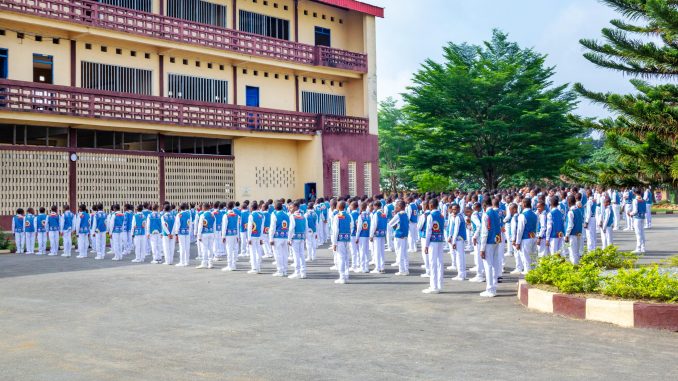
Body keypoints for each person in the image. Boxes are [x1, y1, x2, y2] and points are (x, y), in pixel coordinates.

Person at [479, 198, 502, 297]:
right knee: (495, 263)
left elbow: (484, 232)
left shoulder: (486, 214)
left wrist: (482, 248)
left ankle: (490, 289)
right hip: (496, 239)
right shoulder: (496, 212)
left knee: (488, 265)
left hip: (488, 241)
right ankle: (493, 285)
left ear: (484, 205)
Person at [423, 198, 446, 293]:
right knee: (440, 262)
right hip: (440, 239)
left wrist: (426, 245)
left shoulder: (430, 216)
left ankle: (434, 286)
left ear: (431, 205)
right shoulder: (441, 215)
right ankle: (439, 285)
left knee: (433, 263)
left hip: (432, 241)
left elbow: (428, 231)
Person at [331, 201, 353, 284]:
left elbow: (335, 230)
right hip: (347, 238)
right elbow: (352, 226)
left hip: (340, 239)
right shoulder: (349, 215)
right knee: (346, 257)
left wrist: (334, 243)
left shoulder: (337, 216)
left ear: (338, 207)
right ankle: (346, 275)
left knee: (341, 257)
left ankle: (342, 277)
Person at [514, 199, 537, 274]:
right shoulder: (535, 214)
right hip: (533, 237)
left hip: (525, 238)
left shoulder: (522, 215)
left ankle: (528, 275)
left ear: (524, 204)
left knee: (526, 258)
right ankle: (533, 273)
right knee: (533, 258)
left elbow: (520, 230)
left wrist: (517, 242)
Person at [388, 200, 410, 276]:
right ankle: (406, 269)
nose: (395, 208)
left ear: (400, 207)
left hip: (399, 235)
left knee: (399, 253)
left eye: (396, 206)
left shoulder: (398, 215)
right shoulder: (405, 214)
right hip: (405, 235)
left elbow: (390, 223)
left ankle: (401, 270)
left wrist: (394, 215)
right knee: (404, 253)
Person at [287, 201, 308, 279]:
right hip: (301, 237)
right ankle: (303, 272)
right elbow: (306, 227)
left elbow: (291, 228)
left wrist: (289, 239)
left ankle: (297, 272)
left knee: (296, 255)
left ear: (296, 207)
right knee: (302, 254)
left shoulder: (293, 216)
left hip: (295, 237)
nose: (290, 209)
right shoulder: (303, 216)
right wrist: (305, 237)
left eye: (291, 207)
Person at [446, 203, 467, 281]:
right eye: (453, 209)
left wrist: (453, 241)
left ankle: (460, 274)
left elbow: (456, 230)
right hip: (458, 238)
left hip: (459, 239)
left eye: (455, 209)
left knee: (459, 257)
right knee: (461, 256)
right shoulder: (455, 216)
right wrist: (449, 236)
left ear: (458, 209)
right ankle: (462, 273)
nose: (454, 211)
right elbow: (451, 228)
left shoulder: (458, 217)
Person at [269, 202, 290, 277]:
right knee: (285, 254)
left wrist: (271, 238)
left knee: (278, 254)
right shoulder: (287, 214)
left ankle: (280, 270)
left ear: (275, 207)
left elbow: (272, 227)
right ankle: (285, 270)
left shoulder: (274, 214)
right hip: (285, 236)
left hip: (277, 236)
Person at [369, 201, 387, 274]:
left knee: (377, 251)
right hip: (382, 233)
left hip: (377, 234)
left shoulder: (376, 214)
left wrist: (371, 235)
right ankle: (382, 267)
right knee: (382, 251)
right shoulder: (384, 214)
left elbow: (374, 225)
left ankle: (378, 268)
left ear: (375, 206)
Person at [221, 202, 240, 271]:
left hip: (228, 235)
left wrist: (223, 236)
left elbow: (224, 226)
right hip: (235, 234)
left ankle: (229, 265)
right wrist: (238, 236)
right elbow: (238, 226)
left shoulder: (226, 215)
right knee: (234, 250)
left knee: (229, 250)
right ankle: (234, 265)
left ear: (226, 207)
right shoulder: (236, 215)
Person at [564, 195, 584, 264]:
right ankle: (577, 265)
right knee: (577, 251)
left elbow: (570, 225)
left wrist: (566, 235)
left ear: (568, 202)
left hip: (572, 234)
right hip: (578, 233)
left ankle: (574, 266)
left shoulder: (571, 212)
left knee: (572, 252)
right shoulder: (578, 210)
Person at [196, 203, 215, 269]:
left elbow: (200, 226)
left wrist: (199, 235)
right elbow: (214, 225)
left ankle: (204, 263)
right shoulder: (212, 215)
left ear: (204, 208)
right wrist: (214, 233)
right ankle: (211, 263)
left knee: (204, 249)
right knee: (210, 248)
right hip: (211, 233)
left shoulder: (203, 215)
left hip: (204, 233)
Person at [246, 202, 264, 274]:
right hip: (259, 235)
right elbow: (262, 227)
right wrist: (261, 238)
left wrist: (249, 238)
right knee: (258, 251)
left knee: (252, 252)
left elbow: (250, 227)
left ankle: (254, 268)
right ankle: (258, 267)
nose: (249, 208)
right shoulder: (261, 215)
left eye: (250, 207)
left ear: (252, 208)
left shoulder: (251, 215)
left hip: (253, 235)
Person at [354, 202, 372, 273]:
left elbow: (359, 228)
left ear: (361, 208)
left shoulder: (360, 216)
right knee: (366, 251)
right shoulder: (369, 216)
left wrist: (357, 237)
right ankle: (366, 267)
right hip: (367, 235)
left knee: (362, 251)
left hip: (362, 235)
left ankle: (362, 267)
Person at [629, 189, 647, 253]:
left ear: (634, 193)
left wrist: (630, 213)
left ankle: (638, 248)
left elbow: (635, 211)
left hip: (637, 218)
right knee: (642, 233)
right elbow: (645, 210)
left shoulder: (635, 200)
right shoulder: (643, 200)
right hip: (642, 217)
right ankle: (643, 248)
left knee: (638, 233)